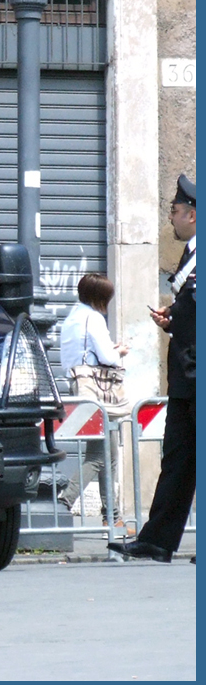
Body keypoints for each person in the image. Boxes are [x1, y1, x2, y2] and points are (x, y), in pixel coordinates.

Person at [109, 173, 196, 563]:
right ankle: (158, 539)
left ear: (192, 214)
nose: (171, 218)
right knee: (177, 459)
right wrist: (174, 320)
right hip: (184, 377)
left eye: (174, 211)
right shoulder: (190, 254)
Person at [58, 272, 130, 530]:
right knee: (100, 455)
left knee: (106, 455)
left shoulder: (72, 318)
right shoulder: (94, 318)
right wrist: (119, 351)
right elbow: (107, 357)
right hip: (97, 391)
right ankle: (64, 501)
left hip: (80, 387)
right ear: (100, 298)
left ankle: (112, 516)